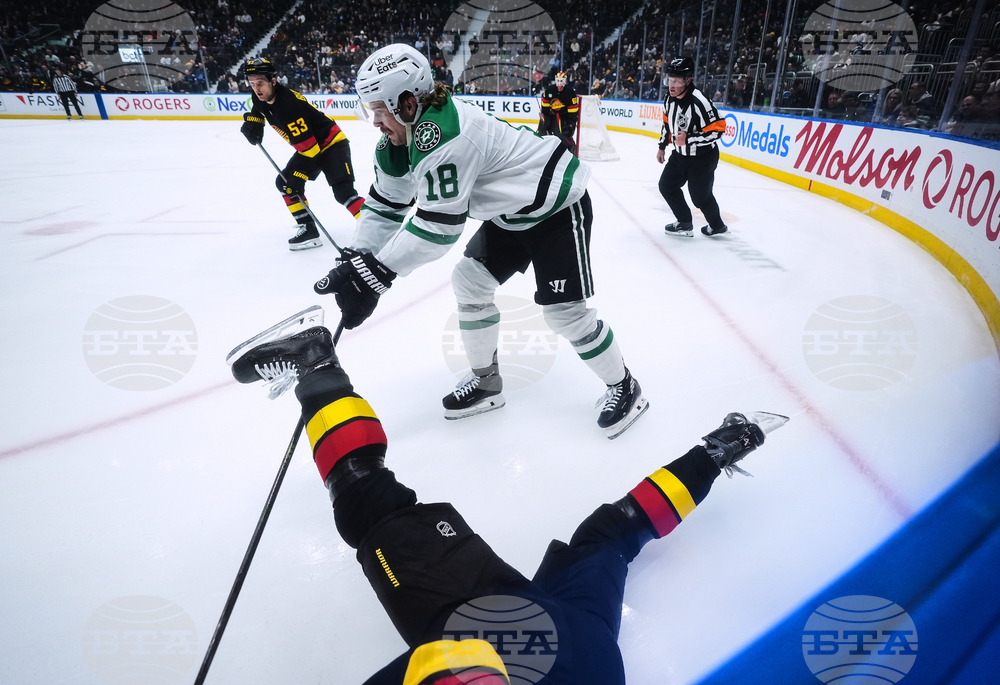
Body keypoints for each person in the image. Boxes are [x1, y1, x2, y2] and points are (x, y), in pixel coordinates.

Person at [229, 321, 787, 685]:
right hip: (509, 645)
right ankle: (316, 362)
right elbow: (451, 668)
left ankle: (719, 450)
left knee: (612, 535)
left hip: (592, 655)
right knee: (371, 507)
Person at [313, 44, 647, 439]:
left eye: (379, 111)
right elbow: (386, 205)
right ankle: (487, 383)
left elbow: (439, 229)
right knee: (470, 282)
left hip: (556, 204)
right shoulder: (400, 140)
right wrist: (357, 257)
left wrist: (375, 275)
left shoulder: (445, 135)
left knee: (565, 314)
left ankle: (625, 385)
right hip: (511, 211)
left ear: (405, 103)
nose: (375, 123)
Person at [240, 57, 365, 251]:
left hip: (332, 144)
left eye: (260, 83)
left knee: (344, 194)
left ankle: (378, 228)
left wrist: (298, 177)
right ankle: (309, 230)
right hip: (310, 147)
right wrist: (254, 122)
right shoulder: (259, 95)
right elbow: (258, 108)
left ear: (273, 81)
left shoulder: (288, 106)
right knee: (283, 182)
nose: (256, 89)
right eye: (252, 83)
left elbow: (312, 150)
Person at [657, 57, 729, 238]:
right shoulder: (669, 98)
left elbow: (719, 129)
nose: (671, 85)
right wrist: (662, 146)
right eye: (669, 80)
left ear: (688, 80)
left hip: (703, 158)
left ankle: (717, 226)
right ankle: (684, 222)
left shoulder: (700, 102)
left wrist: (688, 139)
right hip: (680, 155)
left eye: (676, 81)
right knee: (666, 185)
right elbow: (667, 123)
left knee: (700, 198)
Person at [538, 72, 580, 155]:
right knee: (542, 131)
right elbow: (545, 107)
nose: (559, 83)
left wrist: (572, 122)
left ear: (565, 81)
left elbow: (573, 111)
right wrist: (545, 118)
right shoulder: (550, 90)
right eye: (558, 80)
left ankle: (570, 147)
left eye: (561, 81)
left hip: (566, 117)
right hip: (553, 115)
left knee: (564, 134)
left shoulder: (570, 92)